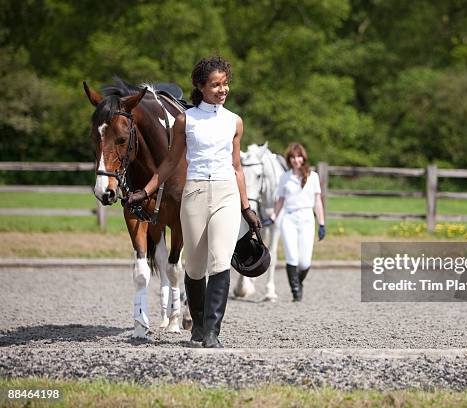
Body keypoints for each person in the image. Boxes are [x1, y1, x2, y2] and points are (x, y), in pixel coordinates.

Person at [128, 56, 261, 348]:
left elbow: (237, 167)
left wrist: (246, 207)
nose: (222, 89)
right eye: (215, 84)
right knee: (195, 267)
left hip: (226, 192)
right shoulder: (185, 120)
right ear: (201, 87)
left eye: (225, 83)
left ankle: (212, 332)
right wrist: (146, 191)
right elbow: (169, 162)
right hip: (195, 194)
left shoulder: (234, 122)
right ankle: (198, 327)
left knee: (220, 261)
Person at [270, 143, 325, 301]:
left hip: (307, 218)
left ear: (303, 158)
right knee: (292, 257)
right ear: (289, 159)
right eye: (293, 157)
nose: (296, 160)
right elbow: (280, 200)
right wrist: (273, 217)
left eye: (299, 156)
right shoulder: (285, 177)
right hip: (289, 219)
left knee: (304, 262)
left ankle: (298, 282)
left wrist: (321, 223)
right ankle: (296, 292)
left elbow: (318, 201)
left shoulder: (312, 177)